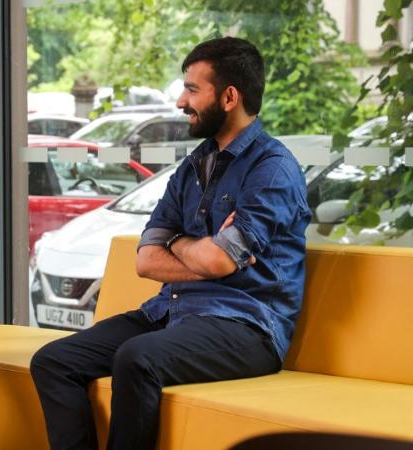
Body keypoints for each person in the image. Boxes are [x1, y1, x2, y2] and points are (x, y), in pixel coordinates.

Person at [30, 36, 311, 449]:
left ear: (229, 97)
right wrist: (198, 247)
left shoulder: (272, 170)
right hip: (171, 311)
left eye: (193, 90)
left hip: (246, 327)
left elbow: (217, 260)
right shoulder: (191, 167)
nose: (181, 101)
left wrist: (181, 244)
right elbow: (146, 261)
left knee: (137, 358)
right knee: (54, 361)